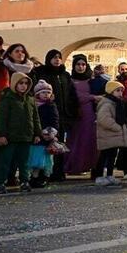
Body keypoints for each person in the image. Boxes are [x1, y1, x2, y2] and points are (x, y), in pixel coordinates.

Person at [31, 49, 77, 183]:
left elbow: (71, 93)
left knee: (58, 144)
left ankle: (58, 171)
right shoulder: (42, 73)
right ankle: (43, 173)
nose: (57, 60)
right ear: (48, 59)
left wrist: (72, 110)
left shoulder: (65, 75)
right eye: (54, 57)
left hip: (62, 115)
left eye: (59, 57)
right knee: (45, 145)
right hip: (46, 113)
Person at [0, 73, 42, 194]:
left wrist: (37, 133)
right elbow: (1, 118)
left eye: (26, 83)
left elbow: (35, 118)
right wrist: (1, 134)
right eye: (20, 83)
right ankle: (0, 182)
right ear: (14, 84)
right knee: (5, 161)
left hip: (26, 136)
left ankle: (24, 181)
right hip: (10, 137)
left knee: (24, 162)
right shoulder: (7, 99)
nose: (23, 86)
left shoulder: (30, 99)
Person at [65, 54, 100, 179]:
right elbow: (75, 96)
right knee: (76, 140)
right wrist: (92, 97)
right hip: (77, 114)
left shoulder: (91, 80)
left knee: (90, 140)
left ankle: (90, 165)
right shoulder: (70, 80)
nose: (81, 67)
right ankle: (75, 165)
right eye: (78, 64)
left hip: (91, 114)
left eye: (83, 64)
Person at [95, 81, 127, 186]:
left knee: (112, 156)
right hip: (107, 135)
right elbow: (104, 119)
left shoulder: (117, 103)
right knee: (104, 156)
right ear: (111, 91)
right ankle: (99, 176)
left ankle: (110, 175)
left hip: (113, 136)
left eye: (121, 91)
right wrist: (117, 127)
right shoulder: (107, 104)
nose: (120, 93)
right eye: (117, 90)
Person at [29, 80, 59, 188]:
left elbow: (55, 120)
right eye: (43, 92)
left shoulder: (51, 106)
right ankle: (34, 176)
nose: (46, 95)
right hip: (35, 135)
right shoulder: (32, 105)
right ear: (37, 94)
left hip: (47, 136)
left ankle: (45, 176)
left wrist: (51, 132)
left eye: (48, 92)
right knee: (35, 157)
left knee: (46, 159)